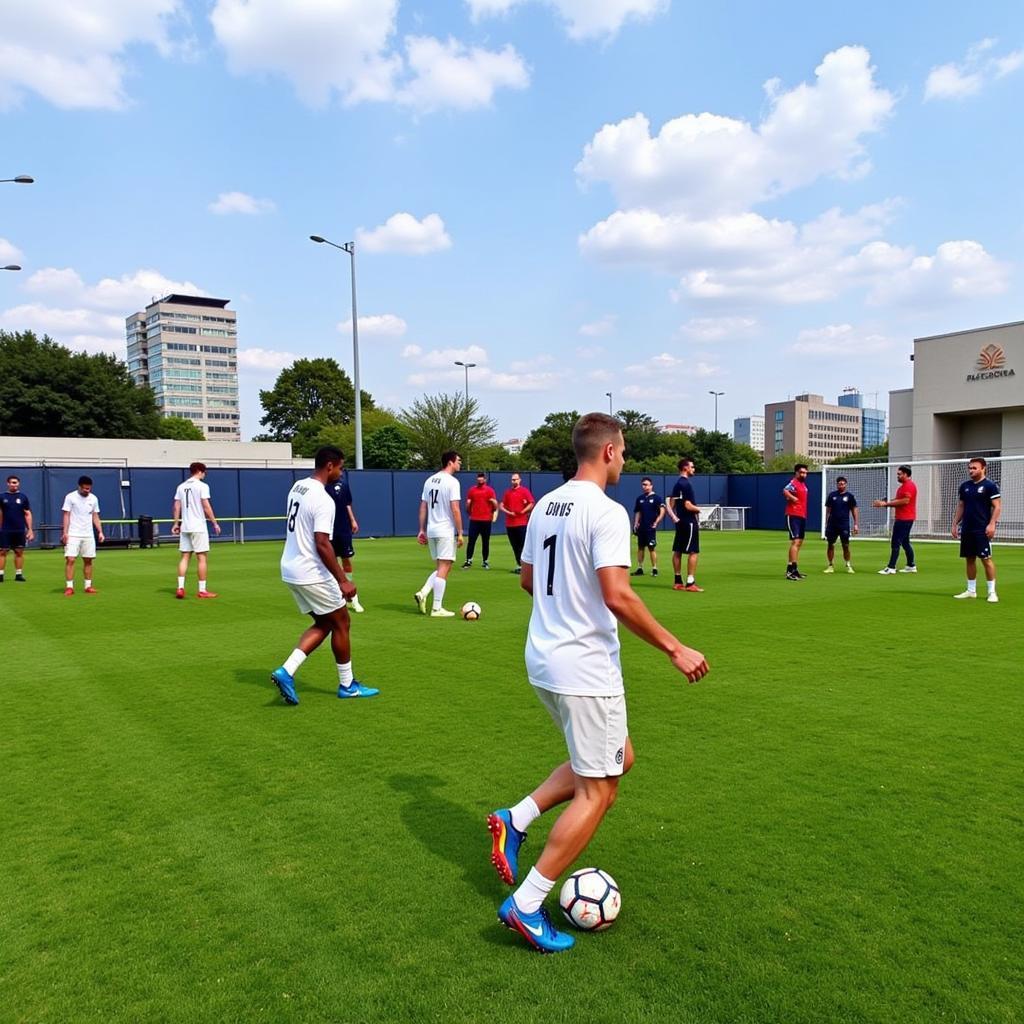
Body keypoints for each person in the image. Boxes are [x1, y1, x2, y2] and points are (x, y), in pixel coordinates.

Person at [486, 412, 709, 954]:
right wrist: (676, 648)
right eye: (625, 451)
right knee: (599, 789)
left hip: (543, 659)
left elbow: (527, 580)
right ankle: (529, 903)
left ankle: (514, 819)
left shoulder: (544, 505)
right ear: (608, 452)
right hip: (584, 669)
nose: (626, 460)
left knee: (618, 757)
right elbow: (618, 594)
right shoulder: (606, 513)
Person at [271, 446, 378, 705]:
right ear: (329, 466)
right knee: (342, 622)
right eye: (340, 467)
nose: (341, 474)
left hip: (290, 568)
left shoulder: (298, 486)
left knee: (325, 623)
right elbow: (322, 543)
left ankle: (286, 671)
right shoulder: (324, 499)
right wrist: (343, 579)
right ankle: (348, 686)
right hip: (311, 570)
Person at [415, 450, 464, 617]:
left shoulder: (429, 480)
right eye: (458, 460)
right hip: (445, 529)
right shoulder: (452, 482)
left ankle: (424, 592)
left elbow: (423, 506)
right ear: (450, 462)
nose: (460, 463)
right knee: (445, 566)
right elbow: (455, 509)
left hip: (432, 529)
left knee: (441, 567)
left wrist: (421, 529)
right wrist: (460, 532)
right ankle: (437, 608)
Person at [952, 457, 1001, 603]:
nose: (971, 470)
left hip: (982, 529)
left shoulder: (990, 486)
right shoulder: (964, 486)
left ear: (983, 468)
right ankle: (971, 590)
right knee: (969, 559)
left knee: (986, 559)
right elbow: (961, 505)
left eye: (974, 468)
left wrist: (992, 524)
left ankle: (992, 592)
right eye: (970, 468)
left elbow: (997, 506)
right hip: (967, 528)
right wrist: (955, 523)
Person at [171, 462, 222, 599]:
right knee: (202, 558)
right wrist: (215, 523)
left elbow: (176, 506)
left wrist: (176, 523)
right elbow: (206, 506)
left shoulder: (181, 487)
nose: (205, 474)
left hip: (185, 526)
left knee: (185, 557)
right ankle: (202, 590)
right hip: (198, 527)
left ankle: (180, 587)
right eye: (204, 472)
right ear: (199, 471)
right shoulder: (202, 486)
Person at [327, 453, 364, 613]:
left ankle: (351, 597)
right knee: (331, 563)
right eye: (340, 468)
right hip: (328, 530)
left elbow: (347, 503)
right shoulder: (321, 486)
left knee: (346, 560)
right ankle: (337, 596)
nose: (341, 472)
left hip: (343, 529)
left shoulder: (343, 485)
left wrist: (353, 520)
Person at [62, 476, 104, 596]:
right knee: (70, 559)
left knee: (88, 560)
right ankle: (69, 587)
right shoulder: (70, 497)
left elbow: (95, 516)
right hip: (73, 534)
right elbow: (66, 515)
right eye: (85, 488)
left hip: (88, 534)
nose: (87, 491)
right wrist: (65, 532)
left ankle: (88, 586)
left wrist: (100, 531)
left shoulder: (94, 499)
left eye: (89, 489)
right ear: (79, 486)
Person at [873, 465, 917, 574]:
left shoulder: (909, 486)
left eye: (899, 474)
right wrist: (885, 503)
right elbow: (898, 500)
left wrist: (885, 503)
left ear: (906, 474)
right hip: (904, 518)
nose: (897, 476)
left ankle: (891, 567)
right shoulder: (902, 487)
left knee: (895, 542)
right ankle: (911, 565)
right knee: (905, 543)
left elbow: (905, 501)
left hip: (904, 519)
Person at [668, 458, 703, 591]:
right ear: (685, 468)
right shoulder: (686, 484)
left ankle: (678, 581)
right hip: (689, 522)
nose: (694, 469)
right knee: (693, 551)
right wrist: (699, 509)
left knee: (677, 551)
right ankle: (690, 583)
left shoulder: (677, 484)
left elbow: (672, 503)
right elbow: (688, 505)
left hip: (680, 522)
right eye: (692, 467)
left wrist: (675, 517)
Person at [0, 474, 34, 583]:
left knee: (19, 552)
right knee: (2, 552)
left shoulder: (23, 497)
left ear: (19, 484)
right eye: (12, 482)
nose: (14, 484)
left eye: (16, 482)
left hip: (19, 529)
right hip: (5, 529)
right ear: (8, 483)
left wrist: (30, 529)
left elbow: (27, 513)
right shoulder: (2, 497)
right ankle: (0, 575)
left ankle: (18, 574)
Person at [501, 473, 535, 574]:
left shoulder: (524, 491)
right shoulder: (508, 492)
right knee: (514, 545)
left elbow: (531, 503)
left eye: (515, 479)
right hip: (510, 524)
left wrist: (523, 511)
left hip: (521, 523)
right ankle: (519, 565)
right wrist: (508, 512)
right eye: (512, 480)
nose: (514, 481)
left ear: (520, 480)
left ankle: (526, 566)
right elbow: (502, 505)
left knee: (523, 545)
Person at [823, 476, 859, 573]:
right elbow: (828, 510)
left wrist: (856, 524)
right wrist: (826, 522)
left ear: (846, 484)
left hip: (844, 524)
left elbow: (854, 510)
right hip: (832, 524)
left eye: (843, 484)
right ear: (837, 484)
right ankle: (830, 565)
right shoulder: (832, 495)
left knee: (846, 545)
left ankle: (848, 565)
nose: (841, 485)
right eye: (839, 484)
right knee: (830, 544)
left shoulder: (850, 496)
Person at [463, 471, 498, 570]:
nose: (480, 479)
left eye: (482, 477)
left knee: (485, 542)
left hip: (486, 520)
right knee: (471, 541)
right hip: (474, 520)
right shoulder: (472, 490)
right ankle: (468, 560)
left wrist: (493, 502)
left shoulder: (490, 490)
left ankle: (485, 561)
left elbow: (495, 507)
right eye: (478, 477)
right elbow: (468, 505)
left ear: (485, 479)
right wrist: (469, 507)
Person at [631, 477, 665, 577]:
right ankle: (640, 568)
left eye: (647, 484)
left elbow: (662, 511)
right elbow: (637, 512)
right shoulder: (640, 499)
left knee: (651, 548)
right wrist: (636, 523)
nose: (645, 487)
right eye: (643, 485)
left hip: (650, 528)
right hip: (642, 528)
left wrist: (656, 522)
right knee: (640, 547)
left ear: (651, 485)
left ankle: (654, 568)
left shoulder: (656, 498)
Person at [783, 463, 809, 580]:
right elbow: (785, 490)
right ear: (796, 473)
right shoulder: (793, 483)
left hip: (801, 515)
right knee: (795, 542)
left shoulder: (803, 484)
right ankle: (791, 571)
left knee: (799, 543)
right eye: (802, 472)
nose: (804, 474)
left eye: (805, 473)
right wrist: (793, 498)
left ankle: (793, 569)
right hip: (793, 515)